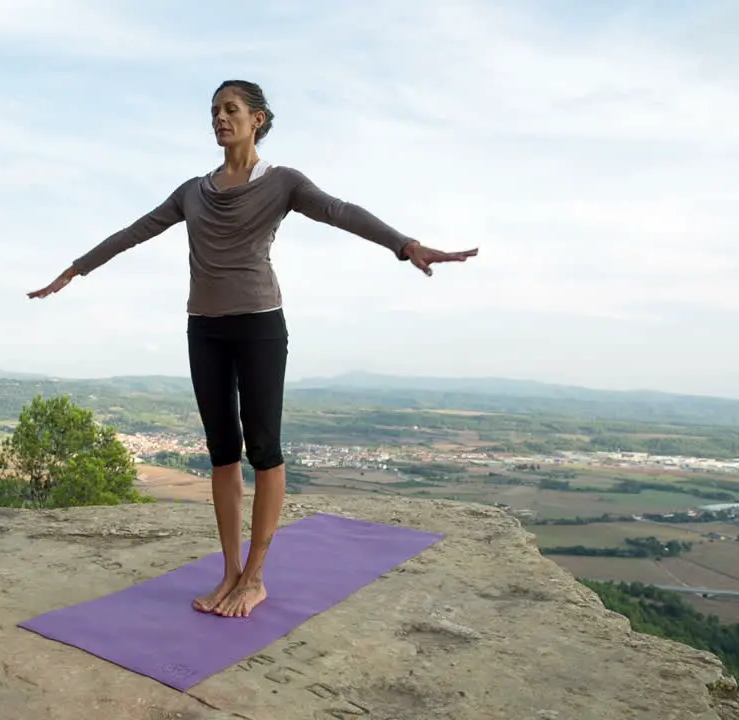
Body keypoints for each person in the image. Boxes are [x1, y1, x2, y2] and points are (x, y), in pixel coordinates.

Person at [28, 79, 478, 618]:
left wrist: (404, 245)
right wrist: (75, 270)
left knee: (263, 449)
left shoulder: (282, 182)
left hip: (260, 325)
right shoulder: (191, 191)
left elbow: (341, 211)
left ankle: (256, 577)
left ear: (257, 119)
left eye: (231, 109)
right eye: (214, 110)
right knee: (222, 452)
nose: (220, 118)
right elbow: (134, 231)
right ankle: (229, 573)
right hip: (205, 329)